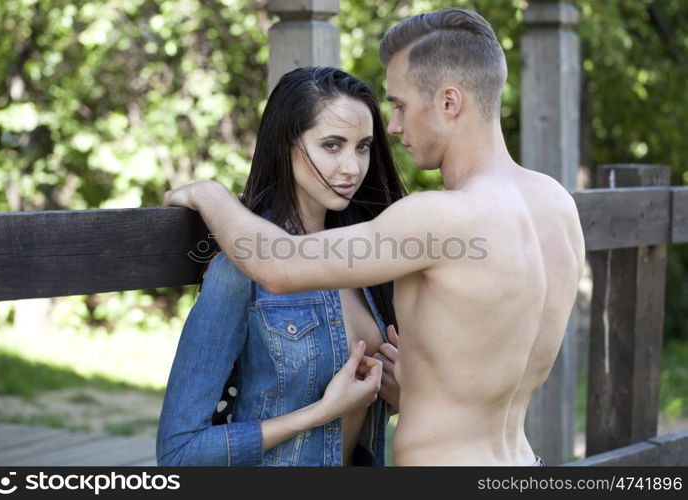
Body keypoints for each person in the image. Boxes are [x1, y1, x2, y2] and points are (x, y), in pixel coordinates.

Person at [163, 8, 585, 466]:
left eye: (400, 105)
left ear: (449, 102)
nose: (394, 127)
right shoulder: (556, 204)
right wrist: (418, 389)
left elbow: (279, 266)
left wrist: (211, 195)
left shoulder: (438, 218)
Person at [156, 66, 407, 466]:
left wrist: (398, 395)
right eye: (331, 145)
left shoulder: (365, 260)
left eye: (363, 146)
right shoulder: (241, 271)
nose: (352, 167)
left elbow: (363, 416)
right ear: (286, 145)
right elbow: (179, 453)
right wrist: (321, 412)